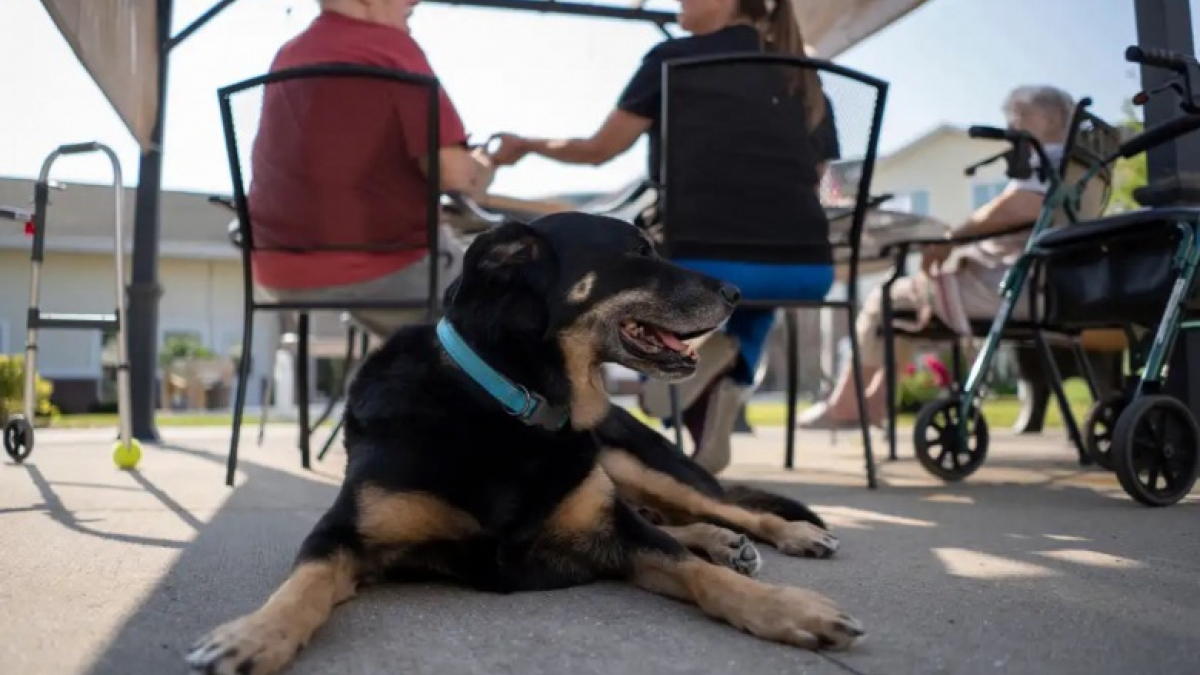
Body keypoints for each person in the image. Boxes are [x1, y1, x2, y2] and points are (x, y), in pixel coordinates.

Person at [490, 0, 839, 474]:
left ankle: (674, 367)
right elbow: (816, 178)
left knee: (662, 275)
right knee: (757, 274)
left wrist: (525, 146)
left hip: (707, 262)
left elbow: (599, 150)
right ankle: (730, 369)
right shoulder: (805, 74)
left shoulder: (672, 59)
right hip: (810, 269)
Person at [798, 85, 1077, 429]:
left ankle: (844, 406)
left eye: (1019, 116)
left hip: (1010, 286)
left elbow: (1021, 205)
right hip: (1042, 282)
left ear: (1049, 118)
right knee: (901, 314)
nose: (1011, 126)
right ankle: (871, 402)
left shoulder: (1045, 159)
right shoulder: (1076, 163)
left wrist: (951, 239)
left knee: (885, 299)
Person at [247, 0, 494, 339]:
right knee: (511, 311)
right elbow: (457, 178)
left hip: (280, 271)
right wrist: (485, 163)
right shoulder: (390, 51)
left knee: (423, 342)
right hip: (385, 270)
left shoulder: (289, 55)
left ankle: (397, 385)